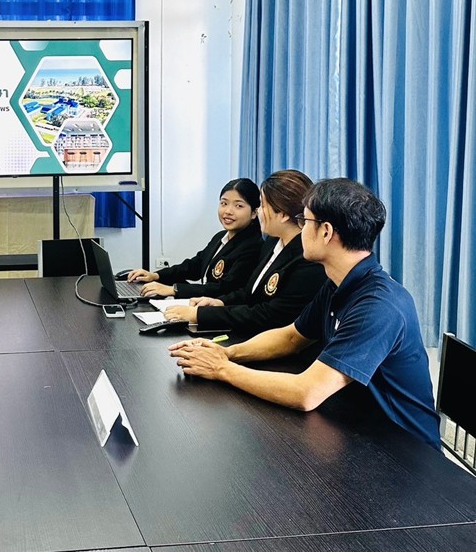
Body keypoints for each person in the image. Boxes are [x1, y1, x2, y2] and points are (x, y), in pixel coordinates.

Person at [168, 178, 441, 448]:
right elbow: (291, 337)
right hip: (354, 424)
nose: (300, 229)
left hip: (402, 451)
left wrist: (221, 369)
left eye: (304, 221)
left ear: (326, 232)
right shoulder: (337, 282)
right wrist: (227, 353)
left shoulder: (378, 305)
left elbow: (307, 393)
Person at [162, 170, 325, 335]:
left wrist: (200, 315)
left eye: (262, 206)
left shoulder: (308, 260)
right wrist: (220, 302)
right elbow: (250, 292)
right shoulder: (272, 242)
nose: (259, 211)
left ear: (282, 214)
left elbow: (269, 315)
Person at [127, 178, 262, 299]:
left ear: (254, 213)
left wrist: (173, 290)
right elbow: (195, 266)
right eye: (224, 203)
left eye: (238, 206)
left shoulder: (253, 246)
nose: (228, 211)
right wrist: (156, 276)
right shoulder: (220, 237)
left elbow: (224, 288)